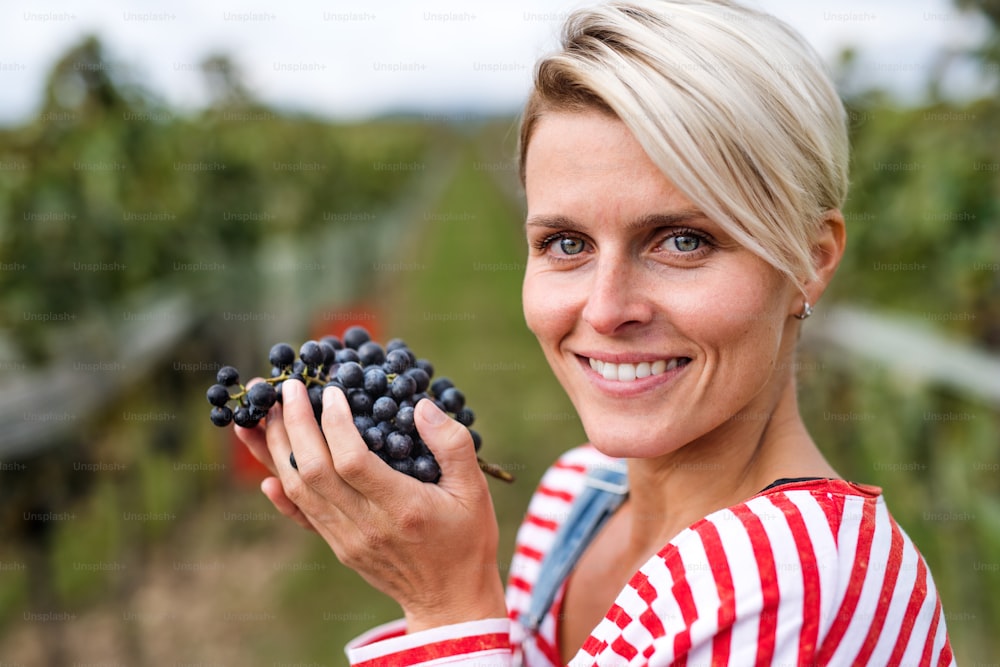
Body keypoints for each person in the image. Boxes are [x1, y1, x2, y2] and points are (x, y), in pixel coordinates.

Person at [236, 0, 956, 664]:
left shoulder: (803, 584)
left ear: (810, 260)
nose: (608, 309)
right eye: (566, 244)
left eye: (681, 241)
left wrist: (445, 601)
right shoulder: (578, 491)